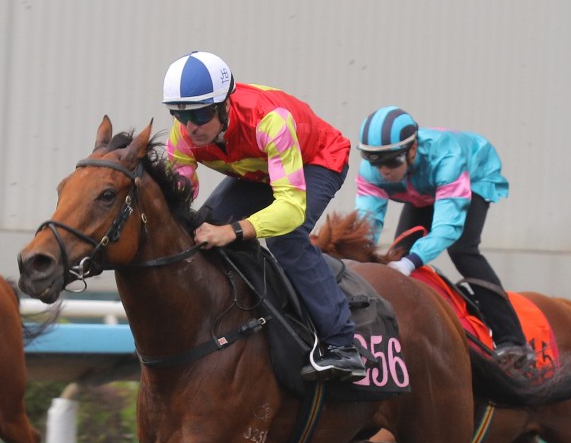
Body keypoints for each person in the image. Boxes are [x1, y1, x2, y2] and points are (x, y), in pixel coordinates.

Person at [162, 51, 367, 382]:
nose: (189, 127)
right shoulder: (183, 133)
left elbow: (290, 208)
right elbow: (182, 190)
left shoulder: (269, 119)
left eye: (199, 114)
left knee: (285, 237)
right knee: (202, 229)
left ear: (223, 105)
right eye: (179, 115)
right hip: (257, 170)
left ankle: (342, 345)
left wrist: (234, 231)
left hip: (315, 159)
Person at [355, 105, 529, 361]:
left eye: (392, 161)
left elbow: (448, 228)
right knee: (399, 253)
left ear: (412, 149)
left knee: (462, 249)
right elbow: (366, 225)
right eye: (374, 161)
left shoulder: (448, 158)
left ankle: (513, 340)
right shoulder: (372, 171)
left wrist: (411, 262)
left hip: (474, 175)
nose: (384, 171)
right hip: (423, 185)